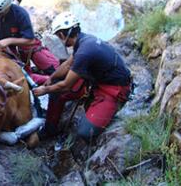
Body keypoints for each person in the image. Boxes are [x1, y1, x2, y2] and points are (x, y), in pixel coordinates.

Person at [33, 12, 132, 142]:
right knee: (57, 85)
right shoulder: (83, 40)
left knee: (85, 132)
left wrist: (44, 90)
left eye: (58, 36)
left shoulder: (84, 52)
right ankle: (51, 129)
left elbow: (66, 85)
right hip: (99, 79)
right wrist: (51, 78)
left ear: (63, 34)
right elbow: (68, 64)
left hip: (113, 89)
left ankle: (111, 107)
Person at [0, 0, 59, 85]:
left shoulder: (20, 14)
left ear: (7, 8)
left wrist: (9, 40)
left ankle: (52, 78)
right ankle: (43, 79)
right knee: (20, 73)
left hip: (26, 44)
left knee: (51, 67)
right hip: (7, 47)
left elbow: (30, 40)